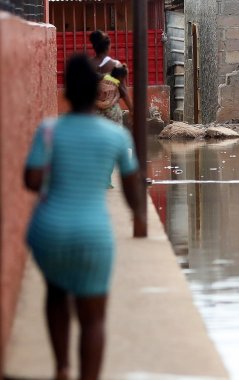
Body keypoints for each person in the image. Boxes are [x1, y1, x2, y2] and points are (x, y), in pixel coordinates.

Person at [23, 54, 144, 380]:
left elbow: (31, 180)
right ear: (95, 92)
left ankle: (62, 368)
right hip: (92, 235)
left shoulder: (48, 130)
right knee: (93, 318)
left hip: (48, 231)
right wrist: (139, 219)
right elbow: (133, 194)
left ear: (65, 91)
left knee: (56, 294)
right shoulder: (116, 136)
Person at [89, 30, 133, 123]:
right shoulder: (115, 65)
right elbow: (123, 90)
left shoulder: (87, 65)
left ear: (94, 47)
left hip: (93, 113)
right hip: (112, 113)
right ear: (108, 47)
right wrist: (132, 109)